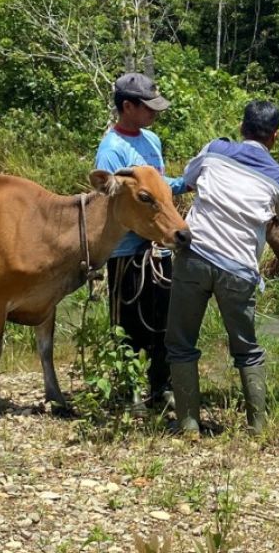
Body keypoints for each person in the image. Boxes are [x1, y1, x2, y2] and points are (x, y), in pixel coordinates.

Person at [166, 100, 279, 435]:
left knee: (180, 342)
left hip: (194, 256)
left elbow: (190, 180)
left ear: (241, 128)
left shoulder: (214, 150)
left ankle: (189, 425)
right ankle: (257, 425)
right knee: (246, 348)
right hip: (238, 269)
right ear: (275, 137)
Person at [95, 73, 188, 410]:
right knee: (127, 323)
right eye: (147, 107)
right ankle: (129, 389)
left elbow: (159, 188)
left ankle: (160, 387)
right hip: (125, 251)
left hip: (159, 246)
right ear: (127, 106)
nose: (154, 113)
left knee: (163, 321)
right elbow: (113, 203)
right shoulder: (110, 152)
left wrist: (187, 182)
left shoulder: (152, 140)